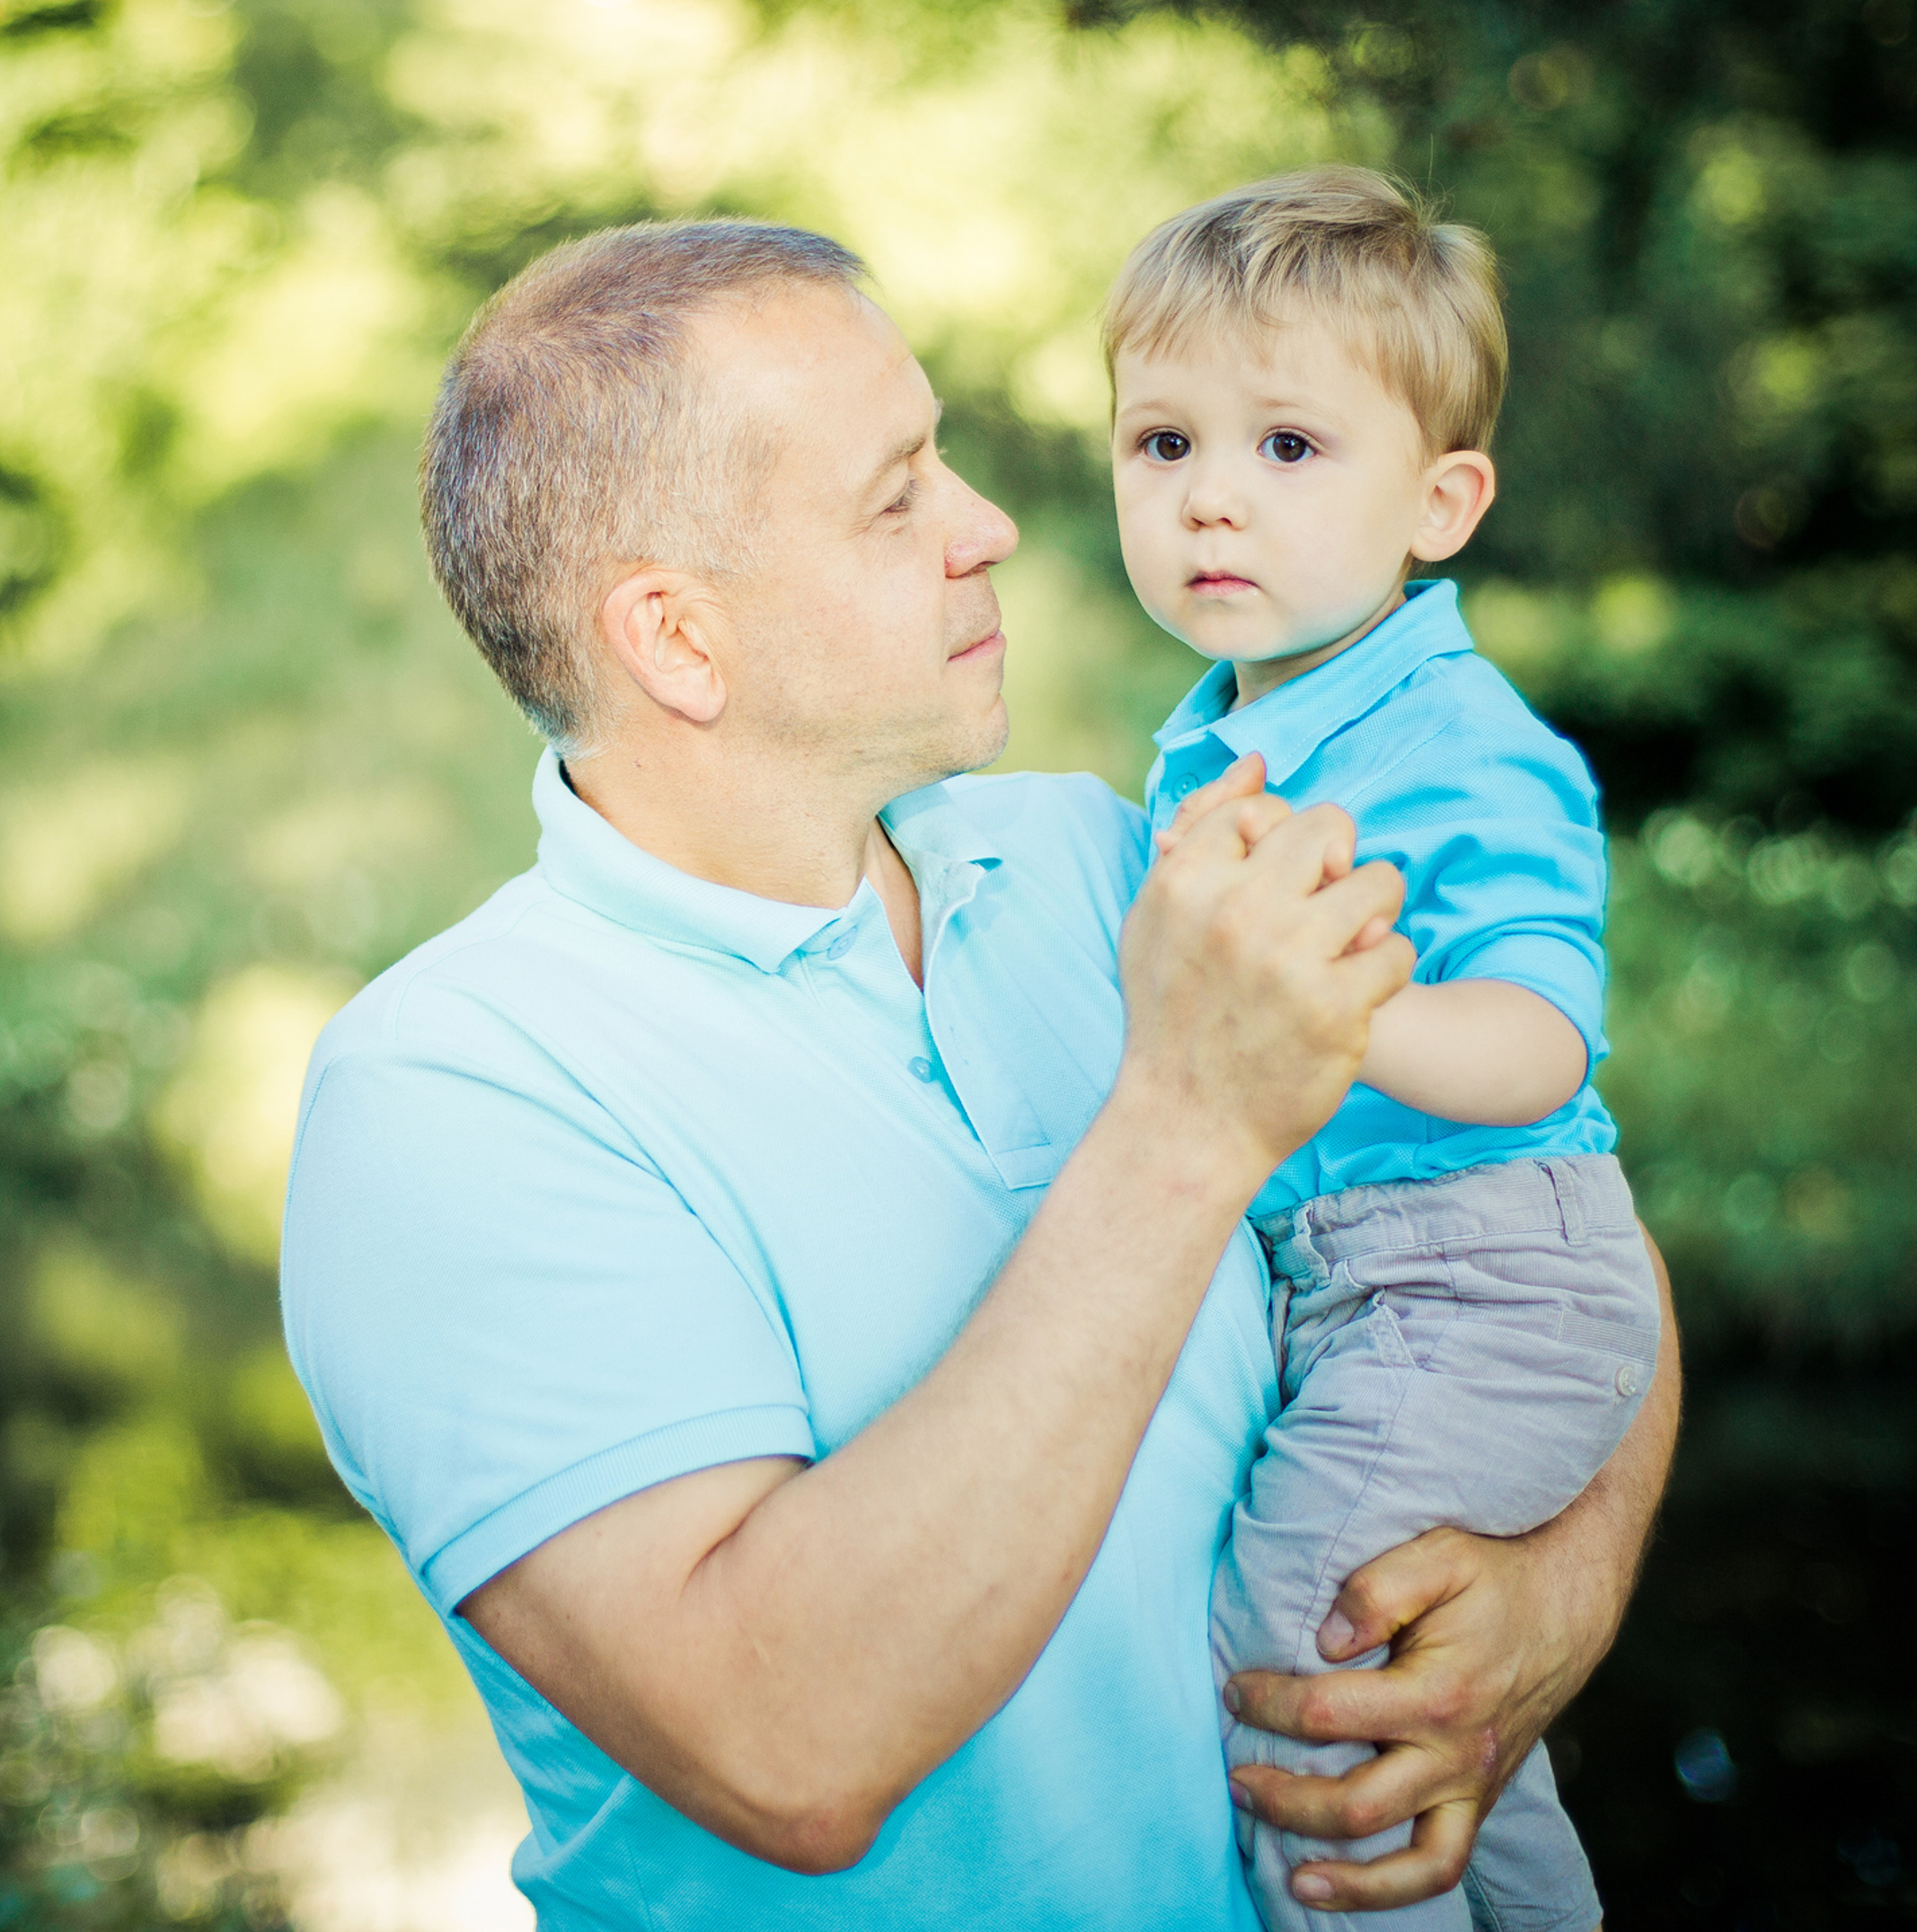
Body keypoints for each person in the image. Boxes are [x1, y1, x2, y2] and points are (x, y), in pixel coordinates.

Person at [279, 220, 1679, 1931]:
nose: (991, 527)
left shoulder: (1114, 865)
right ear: (678, 641)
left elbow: (1544, 1225)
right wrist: (1187, 1122)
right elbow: (786, 1745)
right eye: (898, 496)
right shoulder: (452, 1102)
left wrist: (1561, 1590)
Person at [1108, 166, 1662, 1932]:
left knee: (1301, 1634)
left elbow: (1533, 1040)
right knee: (1442, 1686)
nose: (1206, 496)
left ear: (1439, 501)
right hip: (1373, 1277)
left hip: (1481, 1259)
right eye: (1158, 443)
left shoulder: (1455, 742)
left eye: (1284, 448)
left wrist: (1325, 1003)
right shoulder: (1215, 738)